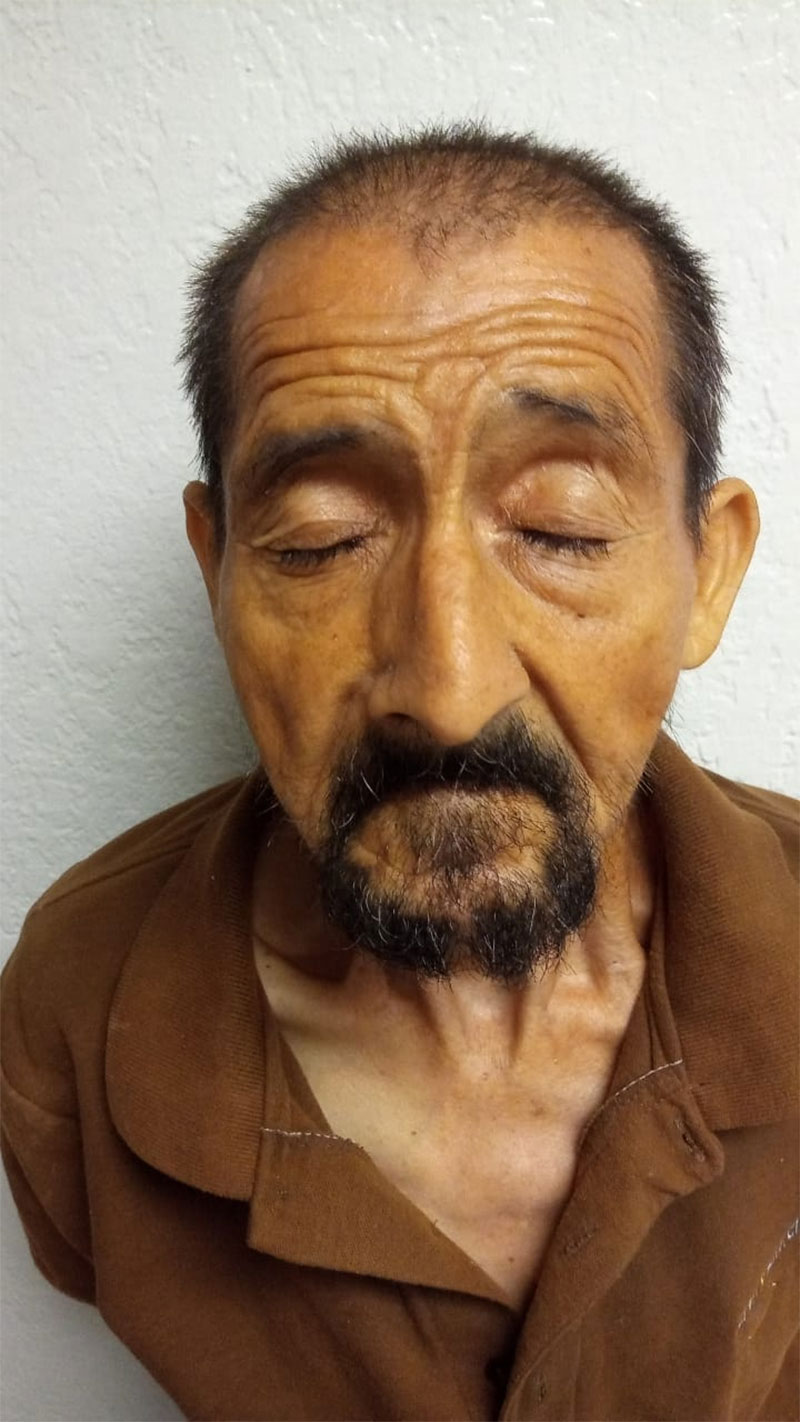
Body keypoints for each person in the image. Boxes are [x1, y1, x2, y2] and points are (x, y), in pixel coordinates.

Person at [1, 122, 797, 1422]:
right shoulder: (71, 1013)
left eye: (559, 529)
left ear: (706, 572)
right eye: (321, 541)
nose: (449, 685)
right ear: (216, 566)